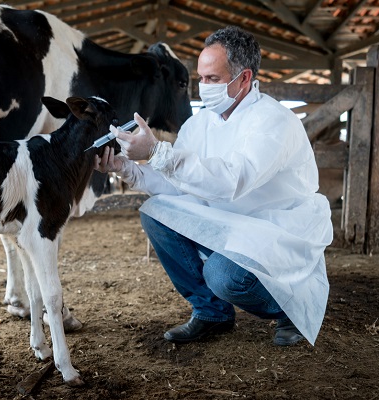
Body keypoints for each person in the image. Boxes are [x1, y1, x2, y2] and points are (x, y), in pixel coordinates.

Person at [94, 25, 333, 346]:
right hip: (227, 224)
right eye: (202, 79)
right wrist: (128, 169)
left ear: (244, 78)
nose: (204, 88)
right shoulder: (200, 123)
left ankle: (290, 307)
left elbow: (233, 181)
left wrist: (155, 151)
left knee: (223, 276)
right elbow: (178, 185)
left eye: (214, 80)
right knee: (156, 211)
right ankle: (211, 312)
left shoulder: (273, 121)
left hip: (274, 229)